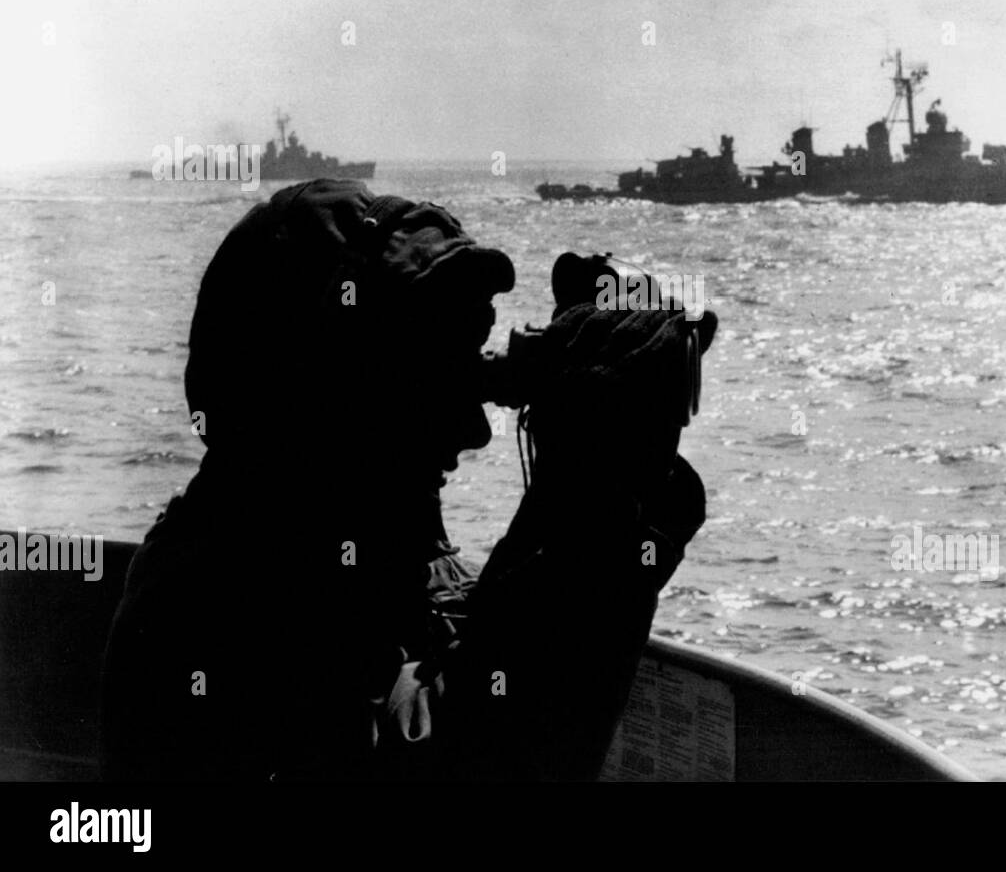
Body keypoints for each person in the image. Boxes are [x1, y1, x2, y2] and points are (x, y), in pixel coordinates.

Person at [100, 178, 716, 782]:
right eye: (428, 387)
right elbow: (471, 757)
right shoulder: (209, 614)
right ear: (323, 397)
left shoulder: (380, 552)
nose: (476, 432)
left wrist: (608, 461)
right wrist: (589, 494)